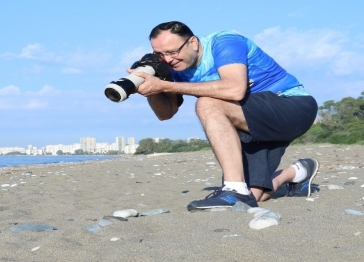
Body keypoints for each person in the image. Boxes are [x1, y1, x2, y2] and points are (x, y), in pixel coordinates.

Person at [133, 21, 319, 211]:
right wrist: (152, 85)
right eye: (160, 55)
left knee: (207, 103)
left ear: (193, 42)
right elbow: (166, 113)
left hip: (292, 106)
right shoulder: (174, 70)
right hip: (249, 122)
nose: (169, 59)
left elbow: (235, 89)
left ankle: (234, 188)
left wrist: (165, 85)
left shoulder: (224, 42)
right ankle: (297, 172)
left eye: (173, 52)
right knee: (255, 196)